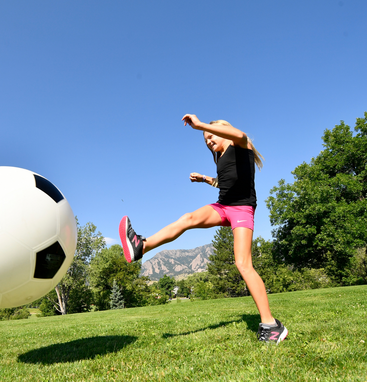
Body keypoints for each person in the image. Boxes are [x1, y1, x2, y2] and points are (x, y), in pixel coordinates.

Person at [119, 114, 288, 344]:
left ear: (222, 131)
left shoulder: (242, 145)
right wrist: (205, 179)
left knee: (243, 264)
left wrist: (200, 126)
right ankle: (142, 246)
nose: (208, 141)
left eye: (210, 136)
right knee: (188, 218)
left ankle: (271, 325)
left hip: (242, 209)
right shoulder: (220, 157)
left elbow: (241, 134)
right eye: (205, 139)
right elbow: (225, 182)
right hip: (222, 207)